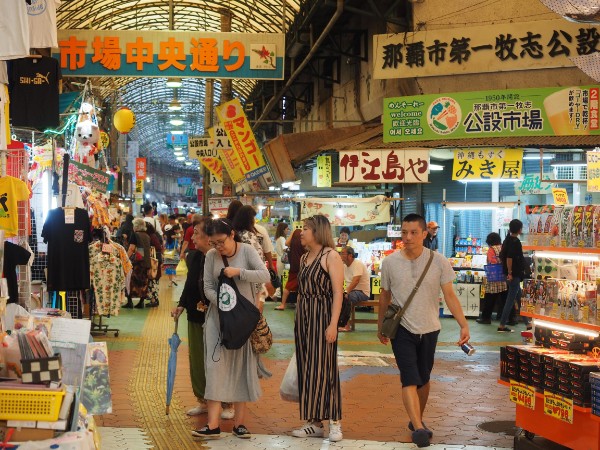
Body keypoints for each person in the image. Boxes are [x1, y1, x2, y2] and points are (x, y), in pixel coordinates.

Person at [377, 213, 470, 448]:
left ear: (424, 234)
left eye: (413, 233)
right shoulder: (389, 263)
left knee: (424, 378)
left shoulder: (439, 261)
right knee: (409, 378)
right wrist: (381, 327)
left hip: (430, 328)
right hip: (402, 329)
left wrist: (463, 324)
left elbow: (450, 295)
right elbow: (385, 296)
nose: (407, 237)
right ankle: (419, 427)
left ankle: (415, 419)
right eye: (404, 232)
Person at [194, 218, 270, 440]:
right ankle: (213, 425)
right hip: (218, 319)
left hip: (243, 321)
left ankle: (240, 424)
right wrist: (223, 302)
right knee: (215, 368)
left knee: (241, 369)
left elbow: (265, 275)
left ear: (232, 235)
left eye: (220, 242)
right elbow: (207, 286)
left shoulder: (246, 251)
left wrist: (239, 272)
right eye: (213, 243)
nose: (218, 247)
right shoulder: (210, 256)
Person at [291, 214, 344, 442]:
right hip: (303, 318)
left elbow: (338, 293)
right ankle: (313, 422)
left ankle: (335, 422)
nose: (301, 232)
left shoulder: (331, 256)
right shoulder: (304, 258)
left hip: (322, 317)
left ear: (317, 231)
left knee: (326, 368)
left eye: (305, 228)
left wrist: (333, 324)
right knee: (307, 369)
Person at [171, 218, 210, 416]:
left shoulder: (219, 257)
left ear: (209, 237)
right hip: (195, 315)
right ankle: (202, 400)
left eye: (196, 233)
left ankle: (226, 403)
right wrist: (181, 305)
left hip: (216, 318)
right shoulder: (193, 257)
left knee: (215, 360)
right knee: (196, 359)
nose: (192, 237)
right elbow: (189, 284)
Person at [498, 219, 526, 333]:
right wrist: (510, 273)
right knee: (510, 301)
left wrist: (507, 272)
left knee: (519, 298)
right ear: (519, 229)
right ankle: (502, 325)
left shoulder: (506, 240)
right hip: (513, 275)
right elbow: (509, 258)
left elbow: (503, 257)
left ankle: (527, 322)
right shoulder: (515, 242)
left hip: (509, 274)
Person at [477, 232, 508, 325]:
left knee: (489, 298)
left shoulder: (491, 249)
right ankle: (509, 317)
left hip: (493, 276)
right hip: (502, 277)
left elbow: (492, 261)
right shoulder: (502, 247)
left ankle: (486, 318)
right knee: (505, 299)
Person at [338, 245, 371, 332]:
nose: (340, 255)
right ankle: (340, 322)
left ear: (350, 255)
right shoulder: (344, 266)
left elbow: (356, 281)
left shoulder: (357, 264)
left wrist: (345, 292)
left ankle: (346, 325)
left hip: (362, 292)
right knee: (339, 296)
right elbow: (340, 279)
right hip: (352, 291)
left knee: (346, 297)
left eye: (343, 253)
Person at [124, 218, 151, 309]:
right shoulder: (146, 235)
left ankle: (129, 301)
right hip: (147, 261)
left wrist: (125, 258)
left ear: (136, 226)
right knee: (144, 282)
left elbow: (132, 248)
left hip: (139, 262)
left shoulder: (135, 235)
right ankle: (141, 302)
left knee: (131, 281)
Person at [275, 228, 304, 310]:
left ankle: (282, 305)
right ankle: (300, 305)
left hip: (294, 265)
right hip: (303, 265)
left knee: (288, 286)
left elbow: (287, 243)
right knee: (302, 287)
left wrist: (293, 233)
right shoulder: (304, 238)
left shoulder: (295, 235)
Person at [145, 222, 163, 308]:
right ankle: (154, 299)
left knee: (153, 281)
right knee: (154, 281)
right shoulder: (155, 235)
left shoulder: (151, 237)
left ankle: (154, 300)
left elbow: (156, 248)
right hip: (156, 262)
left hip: (154, 263)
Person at [274, 222, 290, 293]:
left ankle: (277, 294)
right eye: (287, 229)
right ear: (283, 230)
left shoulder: (278, 238)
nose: (288, 230)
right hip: (283, 261)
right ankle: (277, 295)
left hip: (279, 260)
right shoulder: (282, 238)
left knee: (281, 279)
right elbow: (284, 249)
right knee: (283, 280)